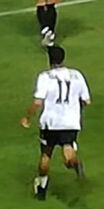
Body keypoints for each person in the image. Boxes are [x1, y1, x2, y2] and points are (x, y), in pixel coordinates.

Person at [19, 45, 92, 200]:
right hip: (70, 122)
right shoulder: (77, 75)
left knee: (46, 153)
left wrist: (27, 117)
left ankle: (41, 188)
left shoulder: (45, 77)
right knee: (68, 151)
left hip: (50, 122)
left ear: (50, 60)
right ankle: (74, 163)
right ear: (63, 58)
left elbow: (38, 102)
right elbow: (86, 101)